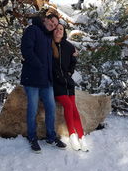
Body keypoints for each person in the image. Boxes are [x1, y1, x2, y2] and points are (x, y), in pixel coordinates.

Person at [20, 13, 67, 153]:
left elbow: (60, 43)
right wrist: (39, 65)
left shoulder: (48, 36)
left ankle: (51, 137)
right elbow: (26, 50)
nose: (53, 25)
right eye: (52, 21)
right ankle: (32, 137)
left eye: (55, 24)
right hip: (32, 78)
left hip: (46, 80)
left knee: (51, 108)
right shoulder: (32, 30)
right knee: (33, 109)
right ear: (45, 19)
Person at [52, 23, 88, 152]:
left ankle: (82, 137)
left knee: (74, 108)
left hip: (68, 82)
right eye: (56, 29)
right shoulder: (48, 45)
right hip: (56, 84)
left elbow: (74, 61)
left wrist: (69, 73)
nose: (58, 31)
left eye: (61, 29)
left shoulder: (68, 46)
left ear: (64, 32)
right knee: (68, 105)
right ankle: (72, 135)